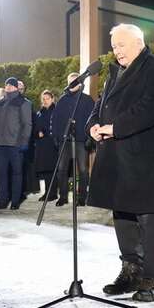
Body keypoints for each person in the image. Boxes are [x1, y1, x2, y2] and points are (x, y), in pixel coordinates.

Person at [88, 24, 154, 302]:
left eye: (121, 45)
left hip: (147, 159)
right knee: (123, 217)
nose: (117, 51)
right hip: (118, 159)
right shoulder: (114, 73)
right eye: (114, 46)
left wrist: (114, 127)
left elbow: (151, 109)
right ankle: (131, 270)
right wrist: (93, 124)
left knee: (150, 219)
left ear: (139, 42)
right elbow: (101, 106)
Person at [0, 77, 32, 211]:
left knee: (17, 173)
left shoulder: (23, 103)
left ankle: (15, 201)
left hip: (15, 144)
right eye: (6, 85)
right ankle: (2, 201)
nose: (8, 87)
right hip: (0, 144)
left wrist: (24, 142)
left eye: (11, 85)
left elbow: (27, 124)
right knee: (1, 173)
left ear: (16, 88)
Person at [52, 71, 96, 207]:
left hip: (81, 141)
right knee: (62, 169)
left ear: (80, 83)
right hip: (65, 141)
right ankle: (63, 197)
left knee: (83, 170)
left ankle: (82, 198)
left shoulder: (87, 100)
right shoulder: (62, 100)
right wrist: (56, 137)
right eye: (71, 81)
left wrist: (90, 138)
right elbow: (55, 120)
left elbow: (93, 119)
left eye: (75, 81)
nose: (73, 83)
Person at [33, 90, 59, 201]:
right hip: (41, 145)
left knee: (52, 169)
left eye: (47, 98)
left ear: (52, 99)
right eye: (43, 99)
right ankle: (48, 193)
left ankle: (52, 193)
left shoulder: (56, 111)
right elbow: (35, 127)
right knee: (46, 170)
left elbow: (57, 127)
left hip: (52, 144)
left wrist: (45, 132)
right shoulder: (40, 112)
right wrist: (37, 133)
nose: (45, 101)